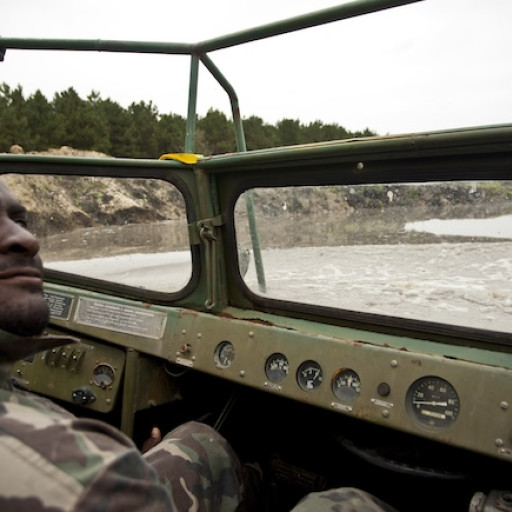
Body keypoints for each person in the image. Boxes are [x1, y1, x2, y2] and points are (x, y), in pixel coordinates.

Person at [0, 179, 394, 512]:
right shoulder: (79, 482)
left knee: (199, 442)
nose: (27, 239)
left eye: (19, 220)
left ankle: (264, 486)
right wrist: (115, 471)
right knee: (350, 503)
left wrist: (128, 464)